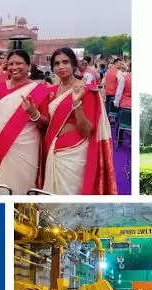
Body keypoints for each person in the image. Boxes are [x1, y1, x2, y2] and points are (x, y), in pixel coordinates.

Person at [41, 47, 118, 195]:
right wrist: (34, 114)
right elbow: (48, 124)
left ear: (74, 65)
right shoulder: (52, 91)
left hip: (73, 154)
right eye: (56, 63)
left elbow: (87, 130)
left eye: (65, 62)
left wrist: (77, 104)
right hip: (52, 149)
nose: (61, 66)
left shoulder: (85, 90)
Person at [0, 50, 50, 194]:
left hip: (26, 148)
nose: (14, 67)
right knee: (3, 187)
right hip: (0, 146)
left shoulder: (40, 89)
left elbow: (46, 124)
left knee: (22, 187)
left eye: (19, 63)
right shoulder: (1, 88)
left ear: (28, 66)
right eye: (11, 64)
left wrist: (34, 113)